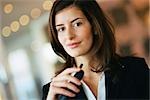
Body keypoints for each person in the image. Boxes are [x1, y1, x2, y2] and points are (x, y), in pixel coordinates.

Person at [42, 0, 149, 100]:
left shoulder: (135, 69)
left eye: (77, 24)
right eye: (61, 29)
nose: (69, 36)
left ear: (95, 26)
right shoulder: (54, 91)